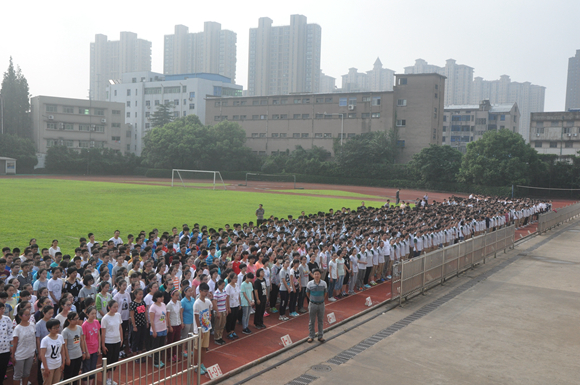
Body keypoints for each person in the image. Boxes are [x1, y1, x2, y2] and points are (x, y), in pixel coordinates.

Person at [12, 306, 36, 385]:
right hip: (20, 355)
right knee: (17, 376)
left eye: (29, 314)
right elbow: (14, 343)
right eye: (26, 315)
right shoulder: (17, 328)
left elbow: (33, 340)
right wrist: (12, 355)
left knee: (26, 374)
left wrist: (34, 353)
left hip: (30, 354)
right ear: (20, 316)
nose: (28, 316)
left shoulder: (32, 325)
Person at [62, 312, 88, 385]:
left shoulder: (79, 328)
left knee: (75, 375)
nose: (77, 320)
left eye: (77, 318)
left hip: (78, 355)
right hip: (70, 356)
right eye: (74, 319)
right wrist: (67, 358)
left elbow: (82, 341)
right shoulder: (65, 331)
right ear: (69, 320)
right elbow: (65, 346)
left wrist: (83, 352)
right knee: (68, 376)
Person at [101, 300, 122, 385]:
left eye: (117, 307)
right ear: (109, 308)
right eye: (114, 307)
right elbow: (103, 332)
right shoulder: (105, 318)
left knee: (114, 361)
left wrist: (121, 339)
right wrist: (103, 345)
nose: (116, 308)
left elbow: (120, 327)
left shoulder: (118, 315)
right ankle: (105, 379)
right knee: (107, 361)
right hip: (108, 342)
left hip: (117, 341)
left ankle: (110, 378)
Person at [193, 283, 212, 375]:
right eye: (204, 291)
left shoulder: (208, 301)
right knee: (197, 348)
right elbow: (196, 317)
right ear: (200, 291)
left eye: (207, 291)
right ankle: (196, 365)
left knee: (204, 347)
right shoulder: (197, 303)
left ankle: (201, 363)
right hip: (199, 330)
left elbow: (210, 310)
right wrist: (200, 330)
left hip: (207, 327)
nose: (206, 293)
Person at [39, 319, 65, 385]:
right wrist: (46, 368)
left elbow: (62, 351)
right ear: (49, 329)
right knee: (47, 383)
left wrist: (63, 363)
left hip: (58, 365)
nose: (57, 329)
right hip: (49, 366)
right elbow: (42, 355)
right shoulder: (45, 340)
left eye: (58, 327)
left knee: (56, 383)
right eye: (54, 328)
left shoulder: (60, 337)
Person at [306, 269, 327, 343]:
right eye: (315, 274)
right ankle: (311, 336)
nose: (317, 276)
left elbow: (325, 293)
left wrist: (321, 299)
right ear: (313, 275)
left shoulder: (324, 283)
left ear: (320, 275)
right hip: (312, 304)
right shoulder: (309, 284)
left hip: (321, 304)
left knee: (320, 321)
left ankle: (320, 336)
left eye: (318, 274)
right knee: (312, 321)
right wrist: (313, 299)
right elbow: (308, 294)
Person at [81, 306, 100, 385]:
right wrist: (86, 352)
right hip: (88, 349)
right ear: (87, 314)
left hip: (95, 348)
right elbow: (83, 339)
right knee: (86, 368)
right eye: (92, 313)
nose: (94, 315)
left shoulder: (96, 322)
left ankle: (91, 383)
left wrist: (99, 347)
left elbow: (98, 335)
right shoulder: (84, 325)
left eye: (95, 313)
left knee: (93, 367)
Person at [149, 291, 168, 369]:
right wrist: (154, 331)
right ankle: (155, 361)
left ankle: (160, 359)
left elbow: (165, 316)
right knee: (156, 347)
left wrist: (166, 326)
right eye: (160, 297)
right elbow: (152, 320)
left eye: (162, 297)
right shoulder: (153, 307)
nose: (162, 299)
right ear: (156, 298)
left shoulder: (163, 305)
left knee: (161, 346)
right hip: (157, 329)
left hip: (163, 328)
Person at [129, 289, 147, 361]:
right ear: (135, 295)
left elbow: (145, 312)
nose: (141, 296)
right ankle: (134, 355)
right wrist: (134, 326)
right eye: (139, 294)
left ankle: (140, 353)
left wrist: (147, 321)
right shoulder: (133, 304)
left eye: (142, 294)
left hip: (143, 323)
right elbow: (132, 316)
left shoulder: (143, 302)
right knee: (135, 340)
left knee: (141, 339)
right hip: (137, 324)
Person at [166, 289, 183, 362]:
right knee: (170, 341)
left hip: (178, 323)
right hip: (172, 325)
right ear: (172, 296)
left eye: (178, 295)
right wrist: (169, 326)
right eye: (176, 295)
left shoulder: (179, 303)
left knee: (177, 340)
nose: (177, 297)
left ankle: (174, 354)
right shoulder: (169, 305)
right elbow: (167, 316)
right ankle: (169, 356)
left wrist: (182, 322)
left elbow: (180, 313)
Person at [0, 303, 13, 385]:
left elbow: (10, 333)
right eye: (0, 308)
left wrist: (11, 345)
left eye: (3, 308)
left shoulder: (7, 319)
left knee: (3, 369)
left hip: (5, 350)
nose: (2, 310)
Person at [224, 273, 240, 340]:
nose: (236, 279)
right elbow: (227, 297)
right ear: (230, 278)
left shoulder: (237, 285)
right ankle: (228, 332)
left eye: (236, 278)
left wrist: (239, 304)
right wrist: (228, 307)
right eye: (234, 278)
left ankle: (233, 330)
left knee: (234, 318)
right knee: (230, 319)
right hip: (231, 305)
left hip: (236, 304)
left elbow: (238, 295)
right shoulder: (228, 286)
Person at [212, 280, 228, 345]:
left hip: (223, 310)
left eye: (224, 285)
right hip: (218, 311)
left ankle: (220, 336)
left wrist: (226, 309)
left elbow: (225, 301)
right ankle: (216, 338)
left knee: (222, 324)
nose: (223, 286)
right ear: (218, 285)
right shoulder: (216, 293)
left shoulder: (224, 291)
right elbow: (215, 304)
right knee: (217, 325)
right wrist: (217, 312)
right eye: (222, 285)